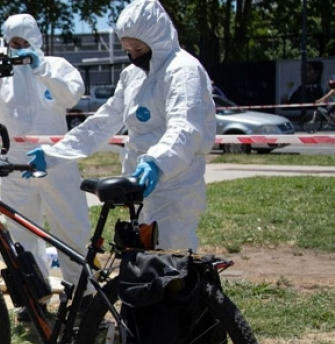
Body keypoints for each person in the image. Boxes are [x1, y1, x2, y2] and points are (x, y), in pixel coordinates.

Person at [40, 0, 217, 253]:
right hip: (139, 187)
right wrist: (54, 154)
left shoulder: (183, 71)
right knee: (141, 263)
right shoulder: (132, 76)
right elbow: (102, 123)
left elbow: (185, 126)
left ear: (157, 39)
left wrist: (156, 162)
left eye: (138, 47)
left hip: (175, 188)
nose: (132, 55)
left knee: (172, 261)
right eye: (127, 48)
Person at [0, 13, 91, 319]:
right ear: (4, 44)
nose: (19, 48)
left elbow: (72, 95)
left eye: (24, 42)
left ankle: (81, 301)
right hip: (15, 168)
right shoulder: (1, 76)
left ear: (35, 41)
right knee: (21, 235)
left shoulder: (55, 66)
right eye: (13, 43)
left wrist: (42, 68)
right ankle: (34, 298)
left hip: (56, 164)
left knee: (70, 230)